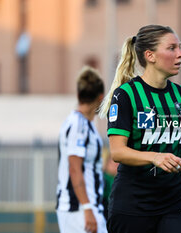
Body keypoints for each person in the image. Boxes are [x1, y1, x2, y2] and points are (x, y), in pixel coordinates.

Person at [99, 25, 181, 233]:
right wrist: (154, 157)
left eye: (180, 48)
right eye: (172, 48)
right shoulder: (125, 95)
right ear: (150, 55)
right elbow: (117, 152)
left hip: (174, 202)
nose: (180, 54)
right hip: (132, 204)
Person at [56, 66, 107, 233]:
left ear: (78, 95)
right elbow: (74, 168)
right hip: (78, 209)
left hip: (87, 207)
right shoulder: (78, 124)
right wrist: (87, 207)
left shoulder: (86, 125)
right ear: (101, 97)